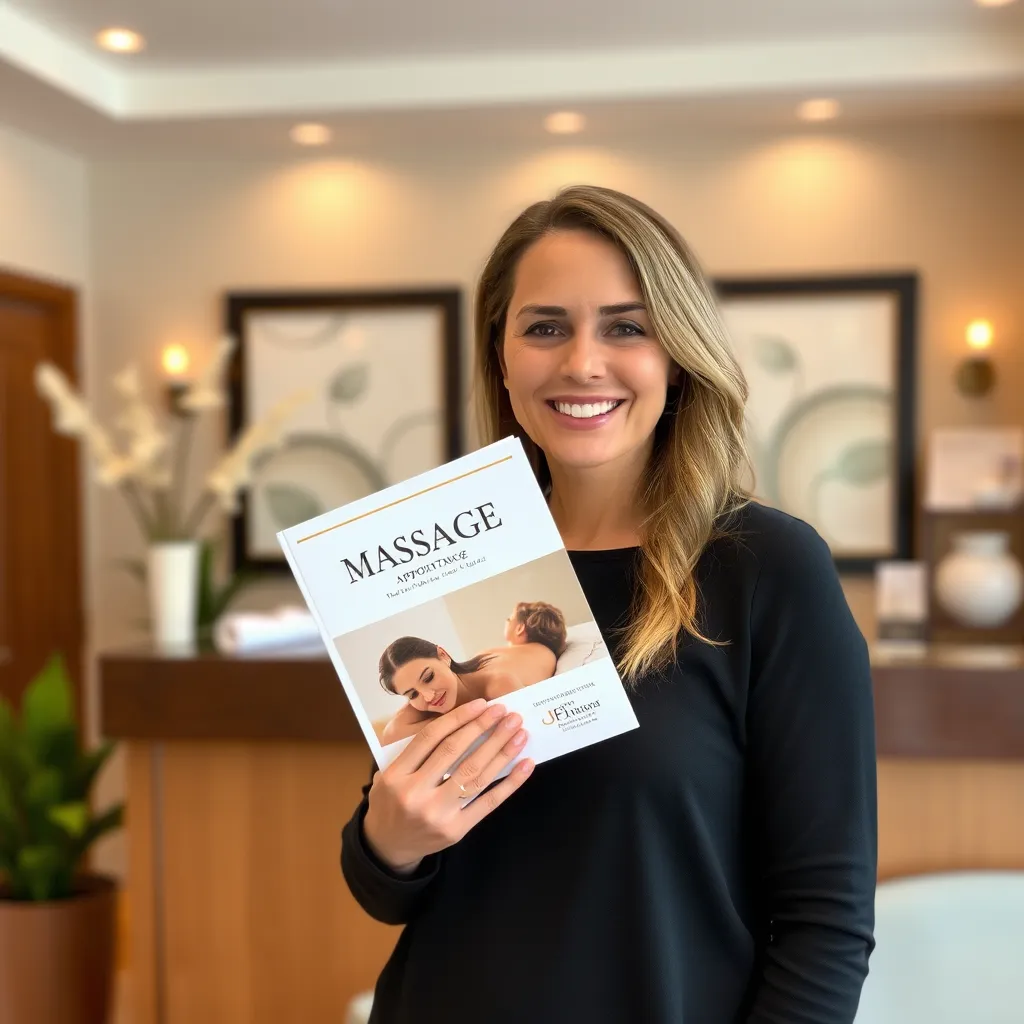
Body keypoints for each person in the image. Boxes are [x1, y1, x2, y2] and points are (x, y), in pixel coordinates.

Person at [340, 185, 877, 1023]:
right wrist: (388, 844)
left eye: (626, 327)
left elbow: (826, 922)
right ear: (501, 354)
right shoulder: (448, 558)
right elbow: (391, 892)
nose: (582, 362)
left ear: (677, 353)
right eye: (545, 326)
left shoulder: (766, 568)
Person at [377, 602, 567, 744]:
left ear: (443, 655)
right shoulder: (485, 654)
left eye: (428, 678)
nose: (428, 696)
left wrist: (445, 721)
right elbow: (390, 736)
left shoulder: (500, 685)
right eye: (412, 694)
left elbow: (541, 737)